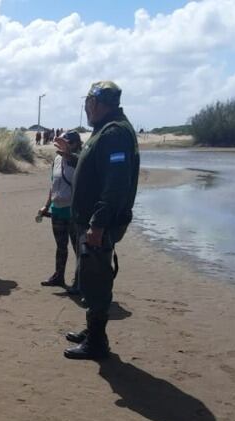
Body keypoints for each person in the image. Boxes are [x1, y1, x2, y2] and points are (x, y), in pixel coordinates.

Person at [60, 80, 140, 361]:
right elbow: (97, 166)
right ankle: (91, 330)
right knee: (91, 275)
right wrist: (72, 156)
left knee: (97, 277)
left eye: (88, 103)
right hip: (90, 218)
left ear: (96, 103)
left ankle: (97, 341)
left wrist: (98, 223)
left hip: (99, 221)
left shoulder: (115, 132)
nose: (86, 108)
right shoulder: (104, 130)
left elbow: (116, 183)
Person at [39, 130, 81, 288]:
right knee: (61, 246)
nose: (61, 145)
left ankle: (80, 280)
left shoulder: (80, 160)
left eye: (66, 142)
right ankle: (58, 276)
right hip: (57, 210)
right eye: (60, 142)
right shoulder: (56, 159)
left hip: (73, 212)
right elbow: (53, 184)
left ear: (75, 144)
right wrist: (46, 205)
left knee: (79, 248)